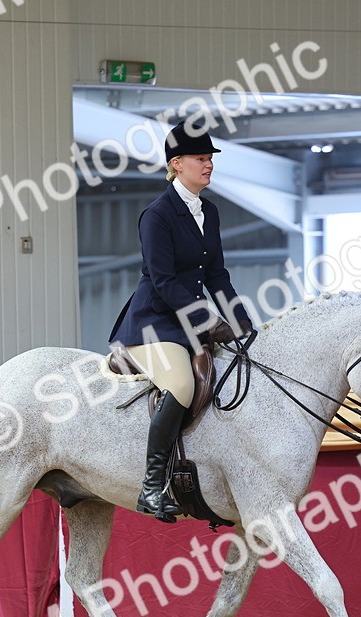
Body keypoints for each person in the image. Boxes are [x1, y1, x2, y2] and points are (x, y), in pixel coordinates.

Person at [108, 121, 253, 523]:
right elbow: (164, 280)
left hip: (189, 321)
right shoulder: (156, 215)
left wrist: (241, 321)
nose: (208, 166)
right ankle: (152, 487)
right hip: (153, 322)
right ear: (177, 164)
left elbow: (217, 275)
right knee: (182, 383)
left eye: (209, 159)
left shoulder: (210, 211)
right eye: (201, 159)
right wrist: (207, 320)